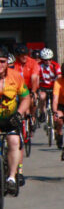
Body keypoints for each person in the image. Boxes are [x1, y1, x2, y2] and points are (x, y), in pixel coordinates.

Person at [0, 46, 30, 195]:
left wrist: (19, 113)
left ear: (7, 62)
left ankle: (11, 177)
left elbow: (25, 97)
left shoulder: (15, 76)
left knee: (14, 142)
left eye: (2, 61)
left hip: (10, 118)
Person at [36, 48, 60, 120]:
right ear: (42, 59)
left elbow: (59, 76)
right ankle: (42, 112)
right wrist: (37, 88)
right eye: (46, 60)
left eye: (50, 59)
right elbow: (36, 77)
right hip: (43, 86)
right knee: (42, 97)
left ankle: (54, 113)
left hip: (53, 86)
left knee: (55, 99)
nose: (48, 61)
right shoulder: (38, 65)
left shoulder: (55, 65)